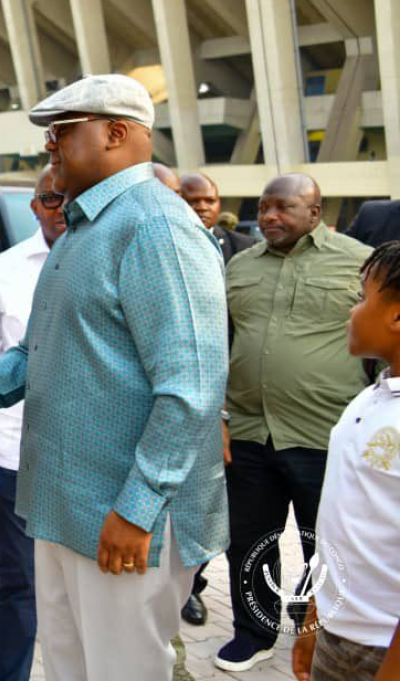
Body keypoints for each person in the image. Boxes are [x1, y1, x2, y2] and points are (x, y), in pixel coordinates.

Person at [0, 74, 230, 681]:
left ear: (115, 133)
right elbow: (34, 355)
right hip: (62, 505)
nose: (49, 147)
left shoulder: (157, 228)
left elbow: (192, 389)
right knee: (71, 669)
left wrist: (137, 509)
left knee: (123, 671)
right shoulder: (83, 230)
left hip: (125, 516)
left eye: (61, 132)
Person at [216, 174, 372, 672]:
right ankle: (254, 631)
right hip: (248, 429)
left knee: (322, 545)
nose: (268, 217)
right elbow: (222, 341)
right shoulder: (239, 267)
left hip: (321, 432)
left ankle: (316, 631)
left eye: (282, 208)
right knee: (249, 539)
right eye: (263, 208)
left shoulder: (358, 261)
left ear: (315, 211)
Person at [0, 163, 65, 680]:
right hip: (13, 453)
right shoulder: (2, 271)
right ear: (34, 205)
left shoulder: (113, 264)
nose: (61, 208)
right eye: (50, 199)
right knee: (19, 578)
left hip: (85, 461)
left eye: (70, 198)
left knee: (78, 589)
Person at [291, 241, 400, 681]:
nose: (350, 312)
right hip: (340, 632)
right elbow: (342, 523)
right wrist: (316, 619)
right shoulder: (370, 398)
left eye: (361, 298)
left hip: (384, 647)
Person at [174, 171, 257, 627]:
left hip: (237, 394)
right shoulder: (165, 245)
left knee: (226, 503)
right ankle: (190, 588)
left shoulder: (243, 250)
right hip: (191, 394)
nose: (203, 206)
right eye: (193, 199)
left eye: (210, 199)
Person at [180, 172, 256, 266]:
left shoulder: (246, 247)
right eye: (193, 201)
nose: (202, 207)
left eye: (210, 201)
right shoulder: (164, 245)